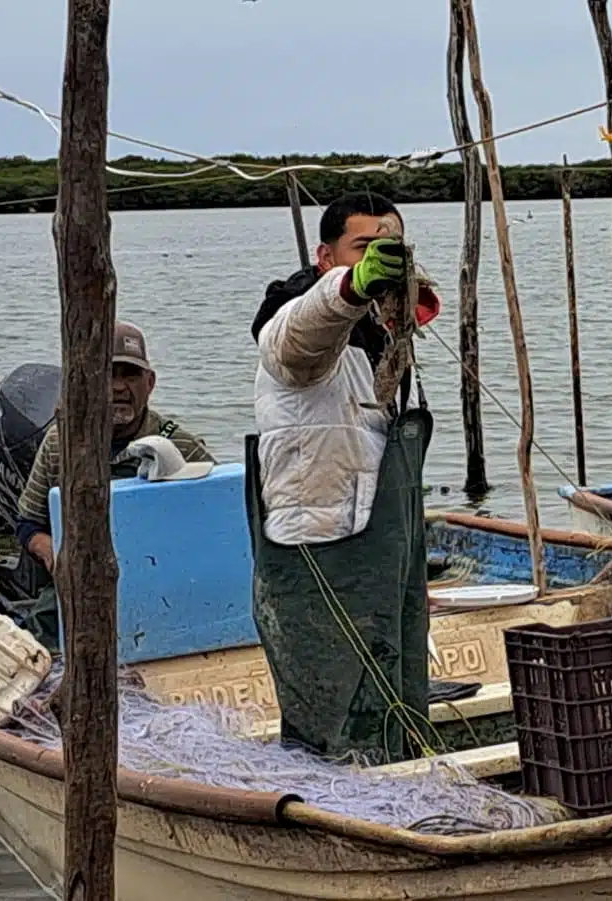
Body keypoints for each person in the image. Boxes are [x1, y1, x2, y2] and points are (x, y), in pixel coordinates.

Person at [246, 191, 441, 765]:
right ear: (326, 256)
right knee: (330, 707)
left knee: (398, 690)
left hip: (385, 557)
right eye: (364, 248)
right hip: (319, 548)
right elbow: (301, 330)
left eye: (392, 250)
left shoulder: (385, 343)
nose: (382, 260)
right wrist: (352, 289)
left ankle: (401, 775)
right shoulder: (302, 335)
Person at [13, 321, 213, 643]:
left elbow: (217, 519)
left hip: (161, 585)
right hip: (78, 587)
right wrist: (52, 552)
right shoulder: (59, 443)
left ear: (149, 383)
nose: (119, 387)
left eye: (130, 375)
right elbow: (27, 521)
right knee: (35, 643)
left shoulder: (181, 446)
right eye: (109, 374)